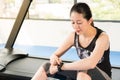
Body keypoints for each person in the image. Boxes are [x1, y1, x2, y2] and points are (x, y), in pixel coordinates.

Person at [31, 2, 111, 80]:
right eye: (73, 22)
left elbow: (91, 64)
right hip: (84, 74)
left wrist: (60, 67)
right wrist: (54, 59)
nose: (75, 26)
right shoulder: (74, 36)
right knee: (47, 66)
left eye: (79, 23)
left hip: (103, 77)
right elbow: (54, 55)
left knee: (84, 70)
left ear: (90, 21)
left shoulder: (102, 37)